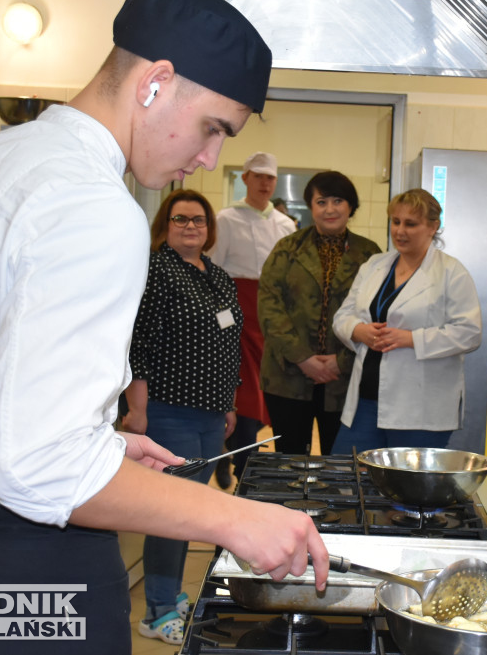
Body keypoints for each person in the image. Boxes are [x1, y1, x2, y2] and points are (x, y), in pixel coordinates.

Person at [0, 0, 329, 654]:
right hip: (17, 572)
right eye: (213, 127)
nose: (208, 159)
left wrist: (104, 447)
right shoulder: (92, 203)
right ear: (156, 83)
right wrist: (233, 516)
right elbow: (34, 467)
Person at [121, 189, 242, 642]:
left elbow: (228, 341)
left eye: (198, 220)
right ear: (165, 225)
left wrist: (229, 401)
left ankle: (170, 597)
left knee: (187, 510)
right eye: (180, 219)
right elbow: (137, 344)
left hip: (211, 414)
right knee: (170, 513)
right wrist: (137, 409)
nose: (190, 227)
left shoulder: (218, 276)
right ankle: (156, 611)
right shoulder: (155, 270)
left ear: (209, 228)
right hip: (168, 411)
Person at [331, 188, 481, 453]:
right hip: (366, 400)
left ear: (433, 227)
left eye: (410, 224)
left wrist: (411, 339)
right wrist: (358, 330)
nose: (400, 231)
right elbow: (343, 316)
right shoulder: (375, 266)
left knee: (408, 488)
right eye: (396, 222)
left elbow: (469, 332)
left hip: (421, 408)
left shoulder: (451, 272)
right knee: (347, 475)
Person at [258, 172, 381, 456]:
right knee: (290, 460)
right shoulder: (287, 249)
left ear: (351, 206)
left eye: (338, 201)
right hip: (287, 375)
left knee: (342, 464)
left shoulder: (370, 255)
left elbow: (377, 314)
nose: (330, 209)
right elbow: (269, 306)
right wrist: (303, 358)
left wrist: (342, 362)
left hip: (345, 379)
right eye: (321, 201)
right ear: (311, 207)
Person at [210, 151, 296, 480]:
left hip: (272, 319)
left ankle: (230, 446)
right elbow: (214, 271)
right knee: (244, 391)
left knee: (267, 393)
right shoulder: (226, 219)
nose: (264, 183)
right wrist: (220, 316)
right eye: (258, 176)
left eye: (270, 177)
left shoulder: (286, 225)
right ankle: (242, 460)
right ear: (244, 178)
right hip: (236, 316)